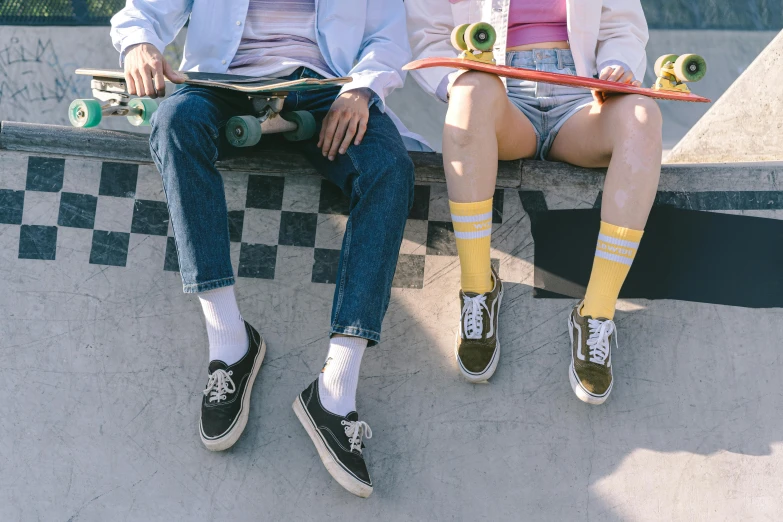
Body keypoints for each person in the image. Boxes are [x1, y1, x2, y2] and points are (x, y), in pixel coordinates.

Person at [111, 0, 422, 498]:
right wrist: (138, 44)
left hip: (326, 90)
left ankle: (335, 393)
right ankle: (229, 344)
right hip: (223, 85)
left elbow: (386, 37)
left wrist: (363, 87)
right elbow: (143, 11)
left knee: (389, 170)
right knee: (175, 125)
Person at [406, 0, 661, 404]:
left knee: (643, 115)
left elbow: (622, 26)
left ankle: (595, 314)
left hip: (584, 98)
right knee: (470, 90)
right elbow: (429, 36)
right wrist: (462, 78)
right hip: (503, 96)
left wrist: (618, 65)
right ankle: (477, 289)